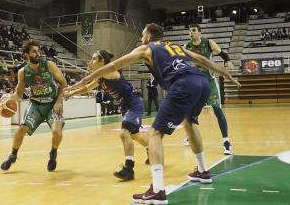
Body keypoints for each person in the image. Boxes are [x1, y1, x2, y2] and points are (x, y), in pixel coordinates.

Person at [70, 23, 240, 204]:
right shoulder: (174, 46)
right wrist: (225, 74)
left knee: (155, 133)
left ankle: (157, 190)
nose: (141, 38)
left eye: (143, 34)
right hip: (202, 83)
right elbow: (203, 60)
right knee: (190, 123)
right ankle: (203, 171)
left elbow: (115, 64)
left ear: (149, 36)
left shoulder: (146, 48)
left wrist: (88, 77)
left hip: (182, 85)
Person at [65, 50, 149, 181]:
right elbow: (87, 88)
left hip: (134, 104)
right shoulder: (102, 76)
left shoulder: (110, 72)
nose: (90, 61)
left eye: (93, 59)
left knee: (124, 133)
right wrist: (71, 93)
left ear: (102, 61)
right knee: (134, 135)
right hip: (125, 106)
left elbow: (85, 81)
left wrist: (69, 88)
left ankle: (129, 169)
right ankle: (151, 148)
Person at [0, 40, 67, 172]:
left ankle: (53, 153)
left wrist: (59, 101)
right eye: (34, 51)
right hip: (36, 104)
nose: (38, 54)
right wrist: (8, 100)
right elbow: (19, 92)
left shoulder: (49, 65)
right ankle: (13, 155)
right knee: (21, 129)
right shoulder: (23, 72)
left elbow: (63, 83)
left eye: (38, 51)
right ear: (26, 55)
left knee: (56, 131)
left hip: (52, 103)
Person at [185, 23, 234, 155]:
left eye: (193, 30)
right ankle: (190, 135)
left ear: (199, 32)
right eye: (190, 31)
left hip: (210, 81)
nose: (191, 33)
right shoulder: (187, 46)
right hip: (195, 82)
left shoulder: (208, 43)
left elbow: (222, 53)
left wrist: (227, 61)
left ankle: (226, 142)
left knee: (217, 109)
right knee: (192, 111)